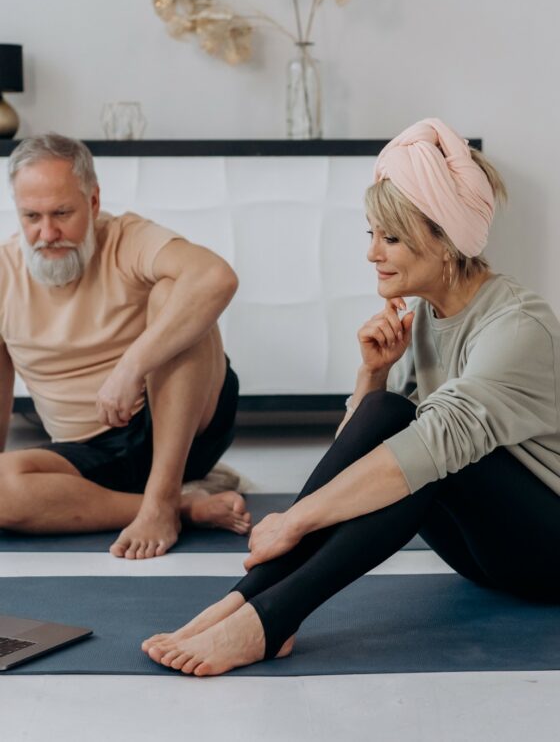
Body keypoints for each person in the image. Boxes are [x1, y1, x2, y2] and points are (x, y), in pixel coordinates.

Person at [142, 117, 560, 675]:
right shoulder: (427, 318)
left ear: (445, 240)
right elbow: (357, 456)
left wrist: (295, 520)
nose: (372, 254)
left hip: (548, 554)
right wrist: (372, 375)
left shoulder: (517, 326)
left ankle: (267, 617)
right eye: (372, 235)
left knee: (427, 451)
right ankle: (251, 603)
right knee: (390, 413)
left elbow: (422, 453)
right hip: (487, 554)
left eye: (390, 238)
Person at [0, 133, 251, 559]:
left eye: (62, 213)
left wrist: (132, 367)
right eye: (32, 216)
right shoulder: (5, 273)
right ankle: (183, 505)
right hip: (89, 457)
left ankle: (163, 495)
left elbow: (216, 277)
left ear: (93, 202)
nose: (47, 232)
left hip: (180, 427)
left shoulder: (127, 237)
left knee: (175, 290)